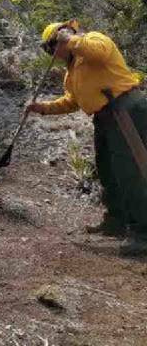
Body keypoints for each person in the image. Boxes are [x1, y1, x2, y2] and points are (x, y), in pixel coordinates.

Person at [26, 21, 147, 242]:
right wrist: (42, 108)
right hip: (105, 117)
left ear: (62, 38)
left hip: (124, 109)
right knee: (108, 171)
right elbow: (72, 101)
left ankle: (143, 232)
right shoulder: (71, 72)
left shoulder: (93, 39)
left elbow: (99, 53)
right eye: (48, 49)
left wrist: (70, 39)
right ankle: (116, 221)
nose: (53, 53)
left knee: (130, 171)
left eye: (52, 47)